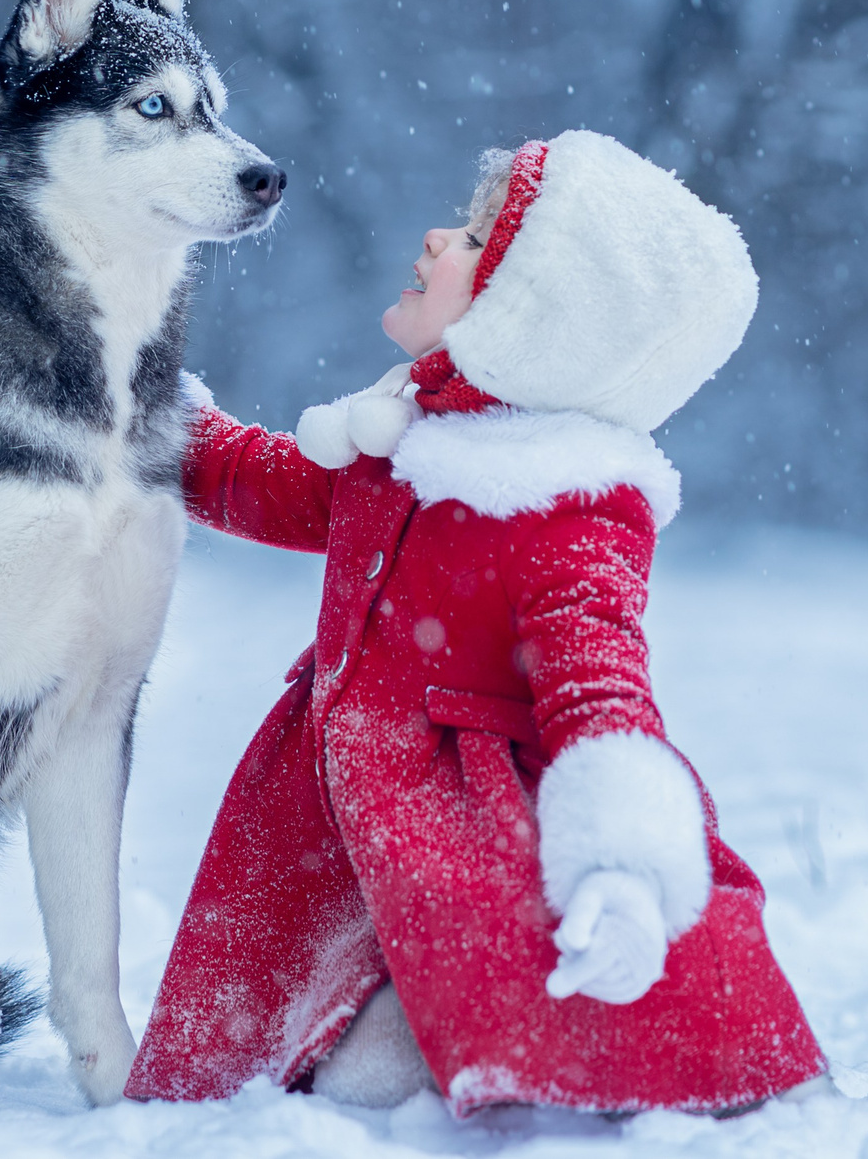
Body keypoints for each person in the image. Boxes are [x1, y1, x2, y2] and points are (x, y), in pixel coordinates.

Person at [124, 131, 827, 1116]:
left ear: (529, 315)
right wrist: (154, 410)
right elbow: (265, 485)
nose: (431, 238)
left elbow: (600, 687)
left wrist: (620, 866)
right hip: (337, 813)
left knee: (455, 993)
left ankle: (496, 1052)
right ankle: (374, 1038)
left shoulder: (567, 506)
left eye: (468, 238)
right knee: (300, 1030)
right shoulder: (402, 446)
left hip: (471, 834)